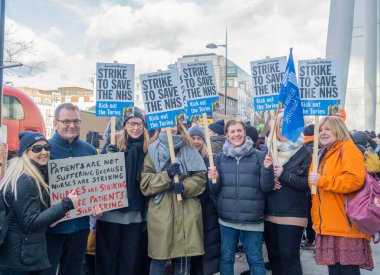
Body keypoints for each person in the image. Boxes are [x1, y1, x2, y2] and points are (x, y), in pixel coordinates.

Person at [0, 131, 79, 275]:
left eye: (46, 147)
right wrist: (66, 204)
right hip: (18, 259)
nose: (44, 152)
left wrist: (51, 217)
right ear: (25, 152)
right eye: (37, 149)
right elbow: (31, 223)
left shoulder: (30, 175)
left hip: (19, 255)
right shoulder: (26, 180)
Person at [208, 119, 274, 275]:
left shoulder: (259, 156)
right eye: (232, 131)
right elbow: (214, 190)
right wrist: (213, 178)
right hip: (227, 218)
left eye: (239, 130)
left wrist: (267, 169)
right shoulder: (219, 158)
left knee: (255, 259)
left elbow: (266, 187)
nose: (236, 134)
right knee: (226, 258)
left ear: (245, 132)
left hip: (252, 218)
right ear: (227, 135)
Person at [309, 116, 374, 275]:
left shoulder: (348, 149)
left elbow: (354, 181)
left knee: (347, 271)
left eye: (327, 129)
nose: (323, 133)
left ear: (339, 130)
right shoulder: (321, 153)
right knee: (335, 271)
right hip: (329, 224)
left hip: (345, 225)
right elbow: (316, 191)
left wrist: (322, 180)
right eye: (320, 130)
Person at [140, 124, 207, 275]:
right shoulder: (151, 150)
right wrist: (167, 175)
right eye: (164, 126)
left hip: (187, 210)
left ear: (178, 127)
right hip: (162, 213)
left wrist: (184, 187)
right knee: (159, 258)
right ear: (159, 129)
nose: (169, 128)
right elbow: (145, 184)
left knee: (184, 259)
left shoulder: (189, 148)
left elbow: (200, 180)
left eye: (172, 125)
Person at [40, 103, 98, 275]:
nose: (71, 125)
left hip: (80, 229)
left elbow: (96, 187)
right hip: (51, 229)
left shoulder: (90, 150)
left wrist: (98, 205)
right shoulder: (44, 150)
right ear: (55, 123)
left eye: (76, 121)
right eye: (66, 121)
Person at [96, 107, 150, 275]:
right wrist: (106, 157)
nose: (136, 128)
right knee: (108, 259)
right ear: (125, 125)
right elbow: (98, 176)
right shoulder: (112, 144)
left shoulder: (148, 148)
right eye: (132, 124)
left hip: (135, 215)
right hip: (111, 213)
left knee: (130, 261)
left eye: (139, 124)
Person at [264, 112, 311, 275]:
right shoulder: (268, 149)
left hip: (293, 214)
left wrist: (284, 175)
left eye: (289, 123)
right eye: (281, 123)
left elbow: (308, 184)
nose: (284, 127)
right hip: (269, 212)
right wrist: (269, 181)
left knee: (289, 257)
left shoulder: (304, 151)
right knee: (274, 257)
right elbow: (260, 181)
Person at [188, 125, 220, 275]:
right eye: (193, 138)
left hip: (207, 209)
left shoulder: (210, 160)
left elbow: (215, 188)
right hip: (189, 208)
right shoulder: (182, 158)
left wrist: (215, 179)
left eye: (199, 138)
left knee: (207, 247)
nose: (196, 141)